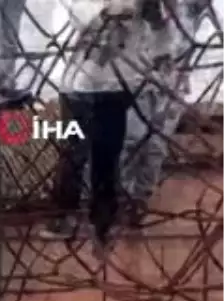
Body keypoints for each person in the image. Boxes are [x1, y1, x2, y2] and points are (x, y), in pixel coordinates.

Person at [44, 0, 148, 251]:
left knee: (107, 155)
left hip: (116, 86)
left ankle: (103, 223)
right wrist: (108, 7)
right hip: (78, 86)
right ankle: (64, 214)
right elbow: (79, 14)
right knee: (73, 152)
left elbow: (156, 27)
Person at [118, 0, 212, 224]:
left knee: (156, 146)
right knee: (132, 139)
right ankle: (124, 197)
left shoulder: (190, 9)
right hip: (139, 79)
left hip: (171, 83)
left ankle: (139, 199)